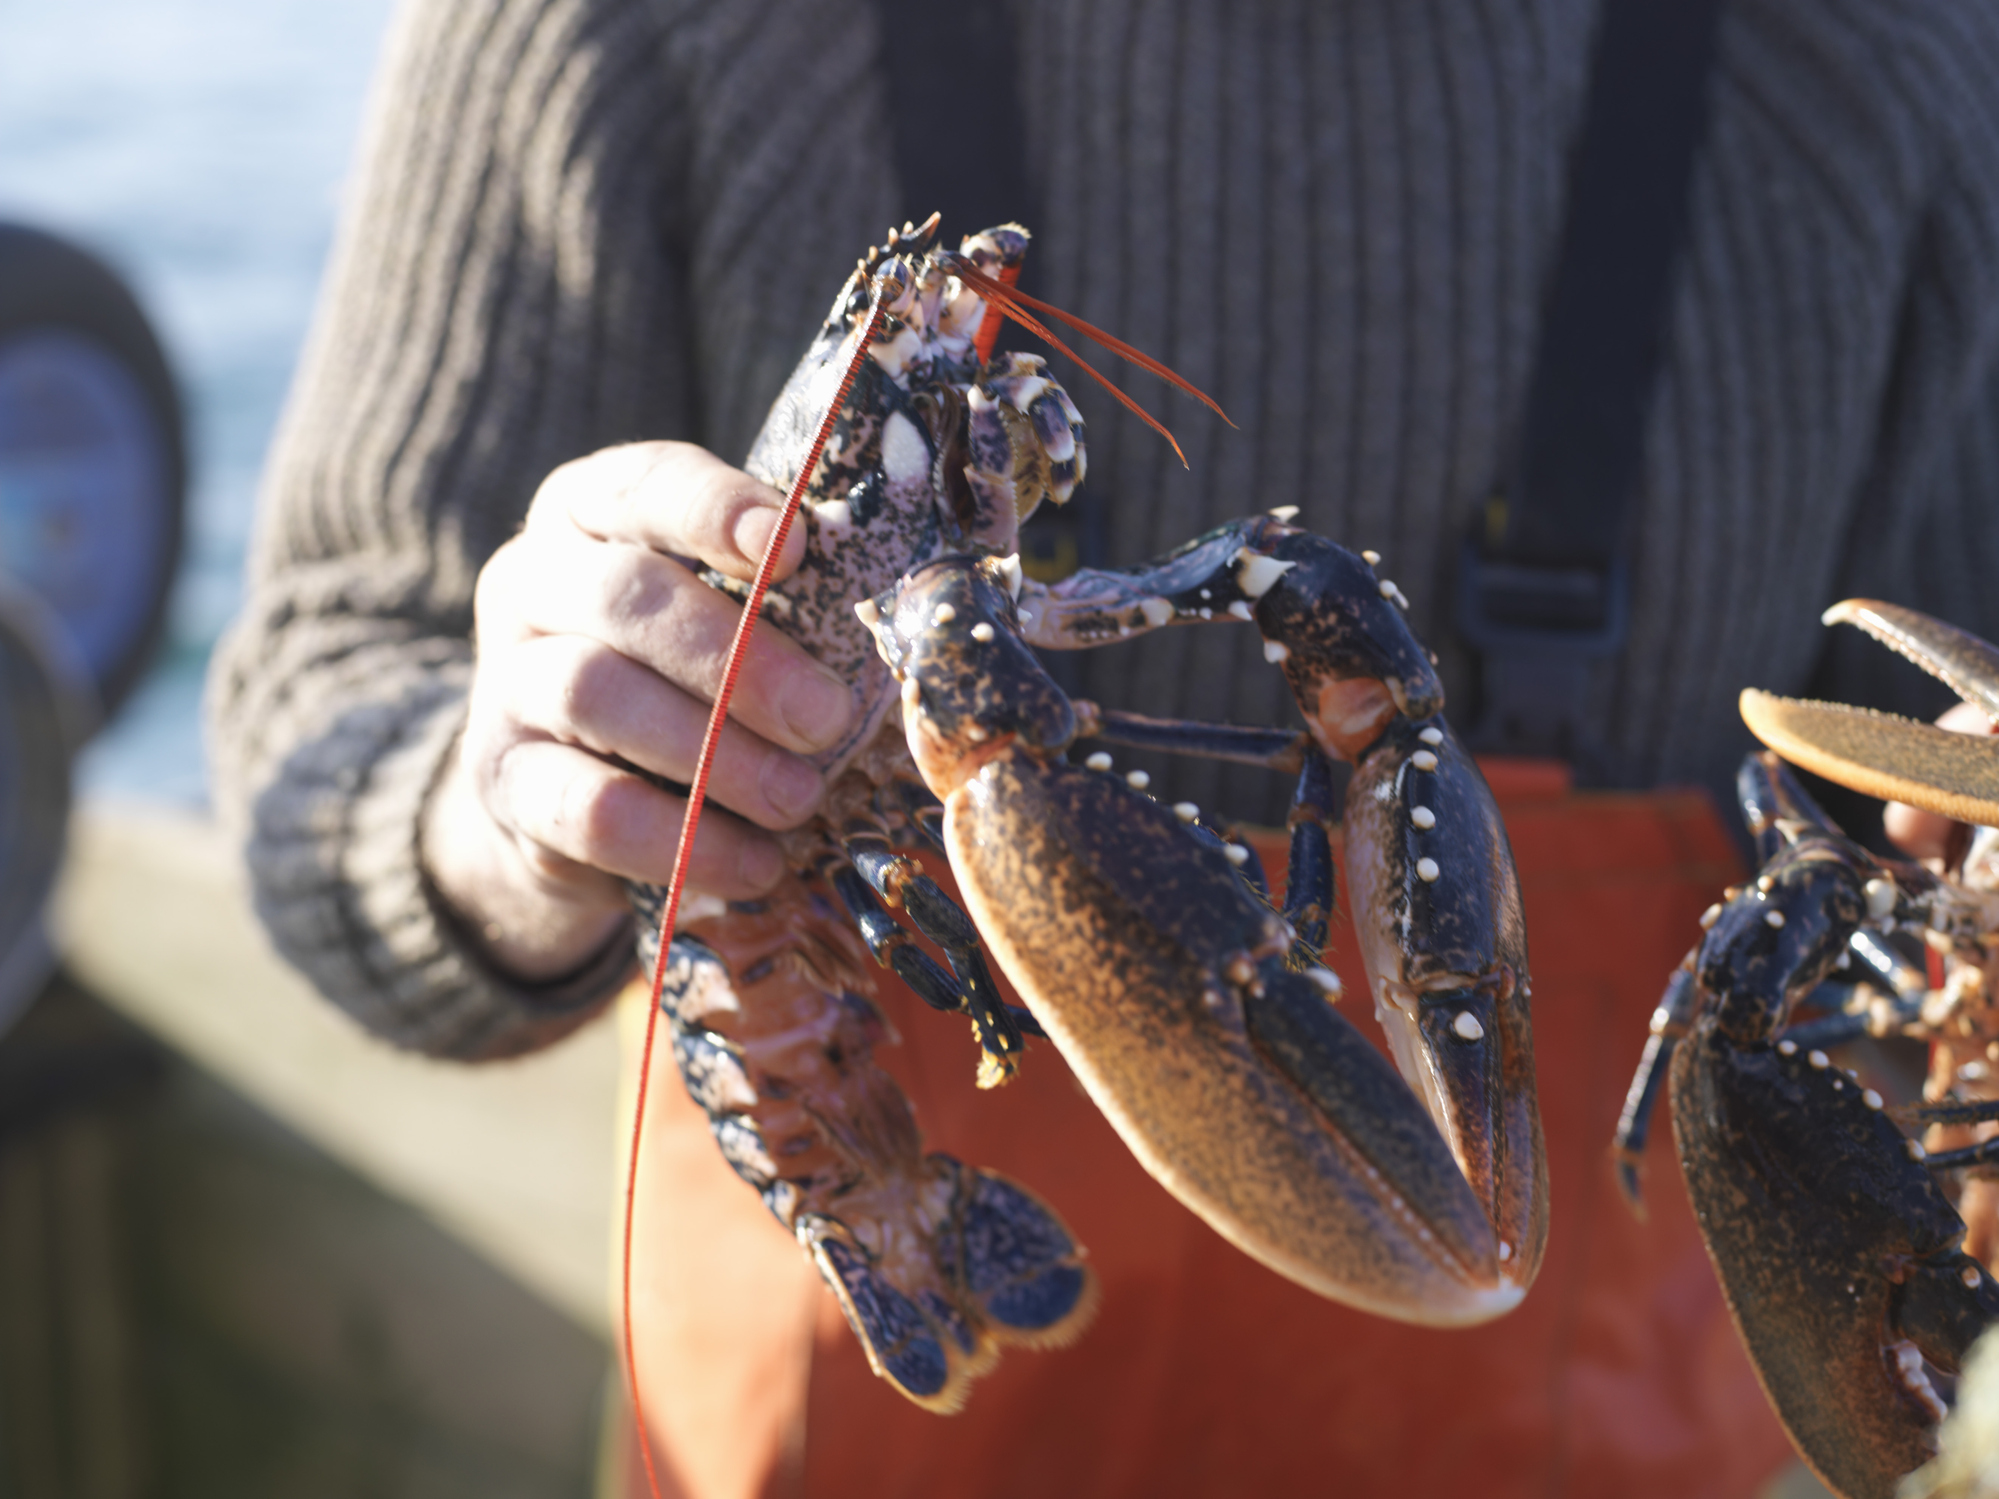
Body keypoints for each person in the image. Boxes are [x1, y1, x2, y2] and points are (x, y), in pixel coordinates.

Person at [208, 0, 1999, 1493]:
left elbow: (1936, 772)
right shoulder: (621, 28)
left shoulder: (1903, 59)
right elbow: (323, 703)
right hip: (864, 1342)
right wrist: (510, 810)